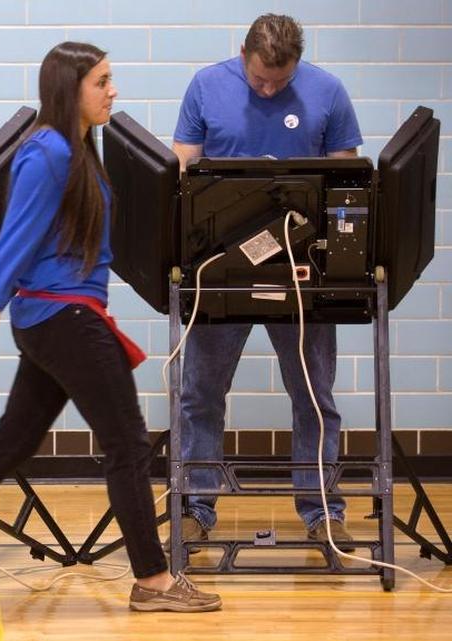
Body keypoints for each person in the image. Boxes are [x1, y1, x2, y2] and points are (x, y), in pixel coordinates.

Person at [0, 41, 222, 613]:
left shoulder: (77, 150)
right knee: (128, 443)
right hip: (63, 317)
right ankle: (154, 581)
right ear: (71, 89)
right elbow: (13, 240)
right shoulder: (46, 153)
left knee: (13, 442)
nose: (112, 90)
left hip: (60, 317)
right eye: (102, 81)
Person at [172, 13, 363, 550]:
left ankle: (322, 510)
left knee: (313, 394)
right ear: (243, 53)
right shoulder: (207, 86)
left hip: (301, 270)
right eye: (260, 80)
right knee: (200, 394)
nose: (270, 88)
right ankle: (196, 506)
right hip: (219, 268)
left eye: (281, 82)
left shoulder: (328, 92)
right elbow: (180, 170)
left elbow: (345, 181)